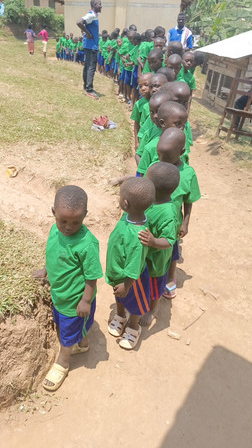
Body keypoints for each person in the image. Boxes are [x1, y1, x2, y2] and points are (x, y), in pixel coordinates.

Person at [42, 185, 103, 392]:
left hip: (75, 300)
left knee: (66, 333)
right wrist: (46, 270)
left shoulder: (87, 244)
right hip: (60, 295)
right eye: (63, 221)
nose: (68, 227)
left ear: (85, 215)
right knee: (66, 326)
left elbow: (92, 276)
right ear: (54, 213)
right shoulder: (54, 230)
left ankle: (63, 361)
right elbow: (52, 252)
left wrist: (85, 300)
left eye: (76, 222)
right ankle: (83, 343)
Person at [106, 177, 155, 350]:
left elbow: (134, 264)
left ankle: (134, 326)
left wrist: (127, 284)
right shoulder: (130, 217)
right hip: (119, 272)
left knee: (135, 303)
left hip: (133, 278)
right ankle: (120, 316)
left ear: (125, 203)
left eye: (120, 197)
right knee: (119, 296)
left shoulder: (137, 236)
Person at [154, 129, 201, 300]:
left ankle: (170, 276)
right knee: (151, 250)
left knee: (172, 252)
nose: (161, 160)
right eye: (159, 155)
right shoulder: (155, 167)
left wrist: (185, 223)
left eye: (166, 157)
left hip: (172, 224)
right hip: (153, 220)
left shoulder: (188, 174)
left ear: (181, 152)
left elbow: (188, 201)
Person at [138, 162, 180, 325]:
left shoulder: (168, 212)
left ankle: (152, 309)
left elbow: (170, 240)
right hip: (145, 255)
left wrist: (154, 241)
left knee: (155, 287)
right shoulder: (150, 201)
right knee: (142, 280)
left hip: (157, 261)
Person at [76, 0, 102, 98]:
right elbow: (79, 22)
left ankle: (86, 86)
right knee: (91, 67)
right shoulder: (91, 15)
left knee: (87, 66)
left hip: (90, 45)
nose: (101, 6)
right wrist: (88, 33)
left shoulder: (94, 16)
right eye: (99, 4)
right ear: (94, 5)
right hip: (91, 46)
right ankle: (89, 89)